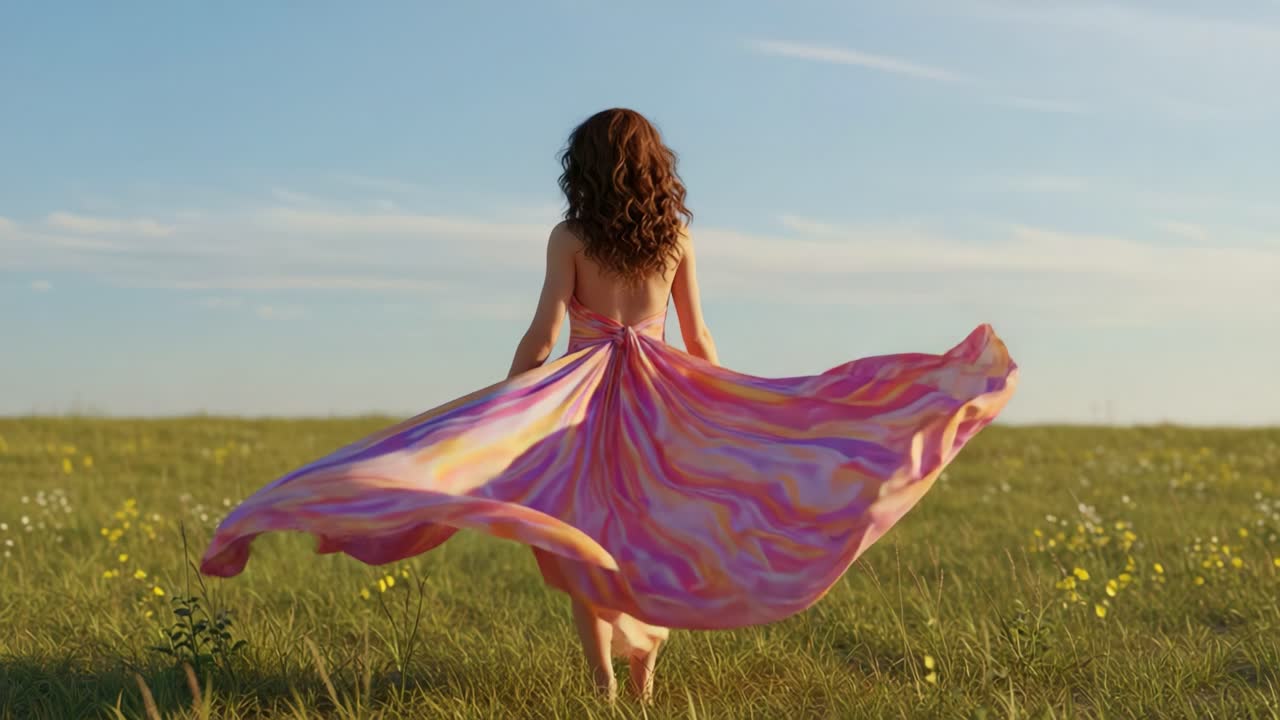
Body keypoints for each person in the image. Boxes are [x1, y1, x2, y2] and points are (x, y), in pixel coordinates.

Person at [201, 108, 1017, 706]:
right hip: (660, 404)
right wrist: (730, 410)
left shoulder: (570, 238)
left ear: (582, 170)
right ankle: (642, 663)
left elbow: (542, 337)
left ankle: (601, 678)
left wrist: (500, 404)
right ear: (657, 169)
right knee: (649, 532)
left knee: (581, 536)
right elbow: (699, 340)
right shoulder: (676, 241)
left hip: (586, 405)